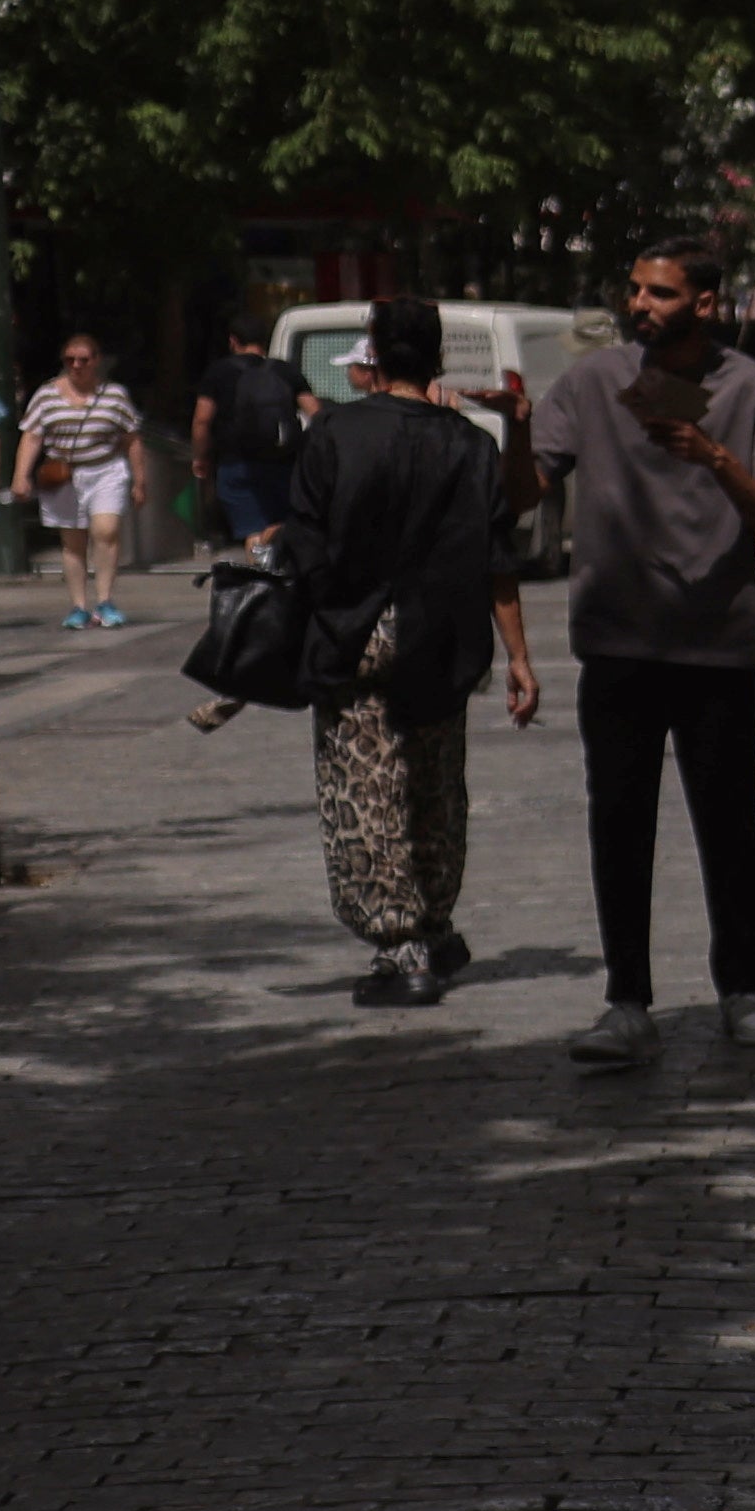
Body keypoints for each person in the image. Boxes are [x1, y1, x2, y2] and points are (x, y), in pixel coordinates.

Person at [540, 242, 755, 1069]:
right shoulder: (591, 381)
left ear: (705, 303)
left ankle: (742, 990)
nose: (642, 303)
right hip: (617, 639)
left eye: (661, 292)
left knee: (728, 823)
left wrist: (714, 455)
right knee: (619, 822)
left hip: (717, 639)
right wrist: (514, 434)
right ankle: (627, 1002)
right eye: (635, 289)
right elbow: (523, 490)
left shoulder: (751, 386)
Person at [291, 297, 544, 1006]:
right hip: (443, 638)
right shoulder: (470, 445)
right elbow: (498, 558)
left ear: (372, 350)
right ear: (436, 358)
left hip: (357, 638)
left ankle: (400, 945)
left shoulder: (335, 433)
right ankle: (434, 924)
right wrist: (519, 656)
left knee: (366, 794)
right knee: (433, 789)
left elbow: (305, 543)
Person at [16, 333, 143, 631]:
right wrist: (20, 475)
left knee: (106, 530)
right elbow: (32, 435)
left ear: (96, 361)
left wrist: (140, 480)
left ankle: (105, 600)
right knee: (72, 541)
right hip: (64, 474)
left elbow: (132, 438)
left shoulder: (114, 395)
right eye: (69, 360)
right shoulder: (47, 395)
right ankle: (78, 605)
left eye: (83, 360)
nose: (76, 366)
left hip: (105, 469)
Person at [186, 304, 310, 562]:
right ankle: (280, 566)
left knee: (252, 530)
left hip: (237, 464)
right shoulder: (284, 371)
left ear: (233, 341)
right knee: (281, 521)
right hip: (282, 462)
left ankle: (260, 582)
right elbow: (316, 411)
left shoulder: (219, 372)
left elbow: (201, 420)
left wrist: (200, 457)